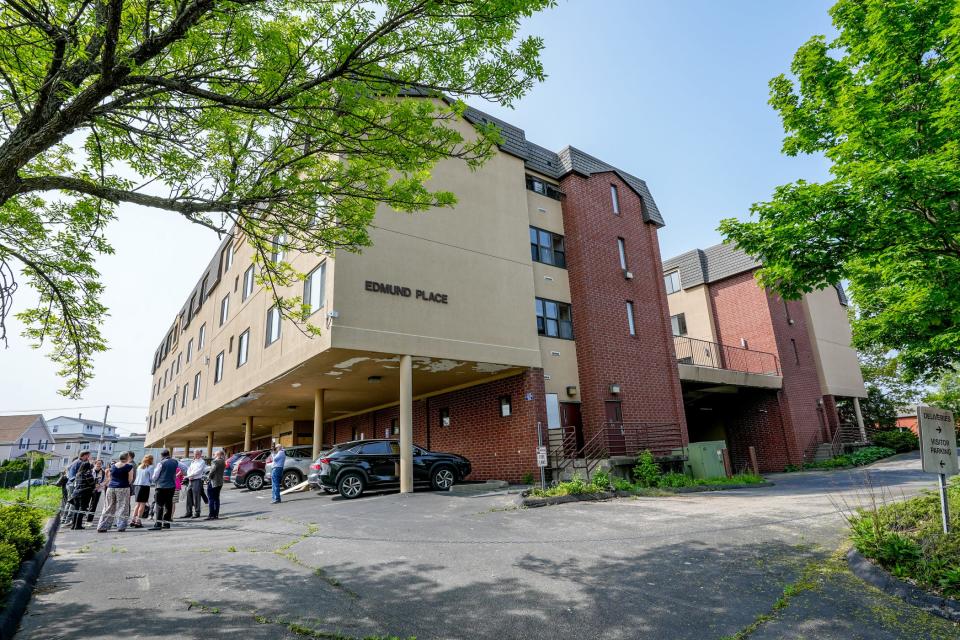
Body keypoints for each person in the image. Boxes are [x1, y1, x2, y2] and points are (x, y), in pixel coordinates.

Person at [96, 452, 135, 532]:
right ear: (127, 458)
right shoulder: (129, 466)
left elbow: (110, 477)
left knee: (108, 507)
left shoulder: (113, 466)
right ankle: (121, 526)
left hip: (111, 488)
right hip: (123, 487)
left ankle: (102, 526)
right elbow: (130, 479)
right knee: (123, 507)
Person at [150, 449, 179, 531]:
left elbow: (155, 476)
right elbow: (184, 468)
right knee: (168, 505)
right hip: (171, 486)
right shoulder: (175, 462)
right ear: (168, 454)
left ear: (161, 455)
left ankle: (158, 523)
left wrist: (154, 481)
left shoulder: (161, 463)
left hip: (161, 486)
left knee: (159, 505)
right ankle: (166, 523)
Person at [130, 454, 155, 528]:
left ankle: (133, 520)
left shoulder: (139, 466)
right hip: (144, 486)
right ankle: (138, 521)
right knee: (142, 504)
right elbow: (151, 478)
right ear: (151, 460)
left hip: (137, 485)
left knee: (137, 504)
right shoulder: (150, 467)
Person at [70, 460, 95, 530]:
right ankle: (78, 525)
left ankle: (73, 525)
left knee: (76, 509)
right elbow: (92, 484)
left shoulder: (78, 474)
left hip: (76, 493)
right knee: (82, 509)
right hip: (84, 494)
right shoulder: (88, 474)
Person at [183, 450, 206, 518]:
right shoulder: (193, 461)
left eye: (197, 454)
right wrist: (189, 476)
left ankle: (197, 512)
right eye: (195, 454)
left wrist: (190, 476)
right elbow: (189, 469)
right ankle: (189, 512)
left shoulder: (202, 461)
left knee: (196, 497)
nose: (196, 455)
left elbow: (198, 471)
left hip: (197, 480)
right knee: (189, 496)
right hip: (191, 480)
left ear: (200, 454)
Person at [206, 450, 225, 520]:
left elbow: (212, 471)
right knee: (217, 499)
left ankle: (211, 515)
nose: (214, 456)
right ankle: (216, 515)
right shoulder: (223, 461)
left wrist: (208, 478)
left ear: (218, 455)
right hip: (220, 482)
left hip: (213, 482)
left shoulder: (215, 461)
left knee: (211, 498)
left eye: (215, 454)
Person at [87, 459, 106, 523]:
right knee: (86, 504)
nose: (98, 465)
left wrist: (100, 485)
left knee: (93, 505)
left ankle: (89, 520)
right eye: (97, 464)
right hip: (89, 489)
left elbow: (105, 481)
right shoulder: (90, 471)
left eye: (100, 464)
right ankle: (84, 516)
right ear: (94, 464)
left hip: (98, 490)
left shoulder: (103, 472)